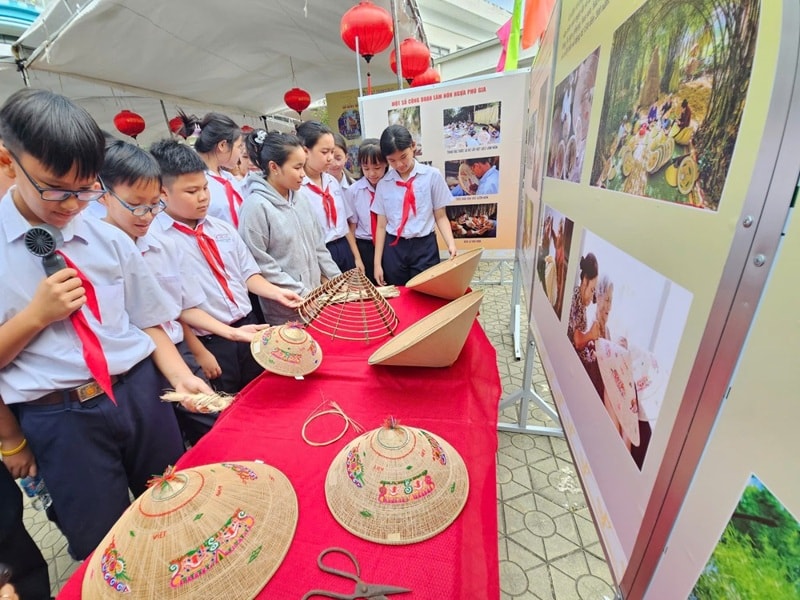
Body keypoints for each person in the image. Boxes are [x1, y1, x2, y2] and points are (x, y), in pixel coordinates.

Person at [0, 89, 210, 560]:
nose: (74, 205)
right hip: (62, 416)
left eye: (87, 189)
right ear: (8, 162)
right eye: (56, 188)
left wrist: (182, 377)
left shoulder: (106, 239)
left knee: (178, 510)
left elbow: (148, 321)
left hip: (140, 394)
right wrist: (36, 318)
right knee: (107, 547)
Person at [98, 139, 256, 444]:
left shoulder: (161, 243)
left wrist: (209, 345)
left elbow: (176, 308)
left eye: (153, 205)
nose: (146, 215)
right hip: (137, 366)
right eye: (136, 205)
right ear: (102, 193)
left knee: (215, 422)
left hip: (178, 349)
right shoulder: (99, 251)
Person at [148, 139, 303, 394]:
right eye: (191, 191)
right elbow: (174, 308)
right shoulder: (156, 242)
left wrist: (276, 292)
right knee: (228, 402)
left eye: (205, 188)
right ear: (163, 193)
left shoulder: (220, 228)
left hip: (249, 326)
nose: (203, 198)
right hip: (210, 340)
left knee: (264, 393)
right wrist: (199, 351)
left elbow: (247, 274)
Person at [238, 130, 340, 325]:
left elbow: (318, 246)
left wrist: (337, 281)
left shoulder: (300, 198)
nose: (303, 174)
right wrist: (301, 293)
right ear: (274, 167)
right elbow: (261, 265)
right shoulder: (255, 207)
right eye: (297, 167)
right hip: (286, 310)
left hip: (315, 300)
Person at [372, 124, 457, 286]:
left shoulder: (431, 176)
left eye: (403, 157)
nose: (399, 165)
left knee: (426, 292)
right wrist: (377, 264)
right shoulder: (384, 184)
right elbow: (381, 226)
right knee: (398, 295)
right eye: (392, 161)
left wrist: (451, 244)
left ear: (413, 146)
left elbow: (440, 215)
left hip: (424, 246)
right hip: (394, 248)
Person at [296, 121, 361, 273]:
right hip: (320, 253)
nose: (330, 158)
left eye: (332, 152)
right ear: (306, 151)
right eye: (324, 152)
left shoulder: (331, 182)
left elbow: (343, 224)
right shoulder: (298, 188)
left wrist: (356, 257)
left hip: (344, 248)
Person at [178, 111, 245, 227]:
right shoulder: (195, 182)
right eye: (239, 147)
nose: (240, 152)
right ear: (222, 146)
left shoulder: (228, 178)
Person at [344, 139, 387, 284]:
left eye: (377, 168)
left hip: (389, 244)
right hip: (365, 247)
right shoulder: (353, 192)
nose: (372, 173)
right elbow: (351, 227)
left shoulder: (392, 187)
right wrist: (357, 257)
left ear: (386, 163)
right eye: (366, 168)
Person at [567, 253, 603, 398]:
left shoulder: (581, 305)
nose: (593, 296)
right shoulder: (575, 299)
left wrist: (590, 343)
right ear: (584, 282)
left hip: (583, 361)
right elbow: (576, 341)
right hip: (576, 367)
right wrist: (591, 336)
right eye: (592, 289)